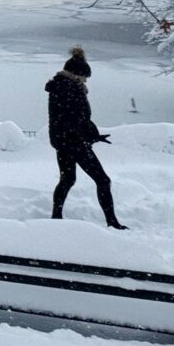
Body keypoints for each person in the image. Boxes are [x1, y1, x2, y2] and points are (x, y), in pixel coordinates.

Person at [47, 47, 126, 229]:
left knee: (67, 179)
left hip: (63, 142)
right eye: (85, 77)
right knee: (103, 180)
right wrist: (91, 136)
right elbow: (79, 119)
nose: (86, 81)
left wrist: (92, 135)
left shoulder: (59, 86)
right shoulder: (71, 89)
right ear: (77, 74)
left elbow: (71, 119)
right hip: (75, 143)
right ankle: (112, 222)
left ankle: (56, 216)